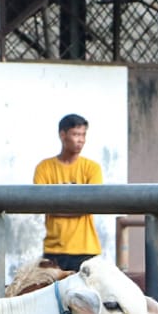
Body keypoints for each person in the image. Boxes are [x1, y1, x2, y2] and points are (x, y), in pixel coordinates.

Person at [32, 113, 104, 271]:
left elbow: (92, 203)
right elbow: (41, 204)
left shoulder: (92, 168)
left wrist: (56, 208)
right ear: (62, 135)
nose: (81, 140)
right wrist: (78, 208)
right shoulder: (44, 168)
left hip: (86, 249)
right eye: (76, 134)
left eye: (83, 135)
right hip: (54, 250)